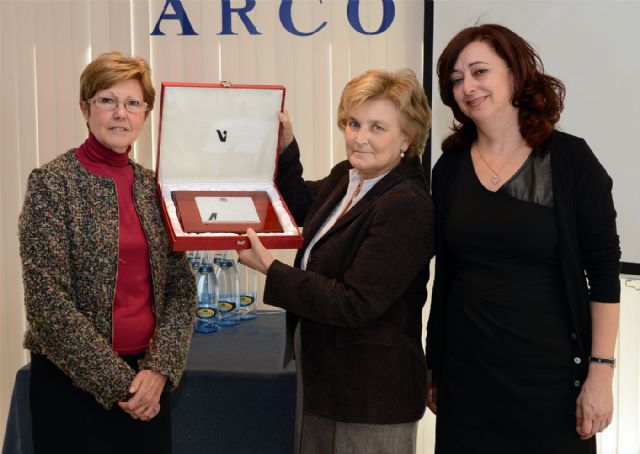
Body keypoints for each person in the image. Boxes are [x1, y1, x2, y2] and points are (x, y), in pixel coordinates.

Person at [425, 24, 621, 454]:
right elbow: (446, 276)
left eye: (479, 72)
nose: (467, 87)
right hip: (467, 379)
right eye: (456, 79)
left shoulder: (571, 160)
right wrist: (434, 364)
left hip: (550, 383)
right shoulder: (450, 167)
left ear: (515, 74)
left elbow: (604, 275)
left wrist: (600, 373)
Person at [238, 68, 433, 453]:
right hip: (326, 378)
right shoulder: (350, 177)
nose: (360, 138)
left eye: (378, 127)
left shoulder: (407, 205)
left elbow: (354, 302)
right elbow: (304, 208)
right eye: (353, 123)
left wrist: (272, 270)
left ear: (407, 137)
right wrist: (285, 147)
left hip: (371, 396)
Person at [18, 52, 196, 454]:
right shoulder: (52, 184)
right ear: (85, 107)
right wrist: (121, 385)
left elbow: (181, 290)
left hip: (148, 381)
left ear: (145, 114)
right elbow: (47, 302)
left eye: (133, 103)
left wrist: (158, 371)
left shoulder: (157, 188)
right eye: (107, 100)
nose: (121, 114)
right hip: (71, 385)